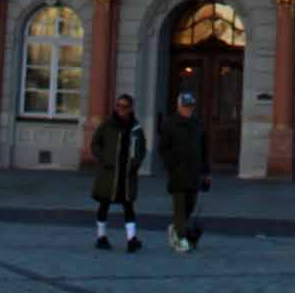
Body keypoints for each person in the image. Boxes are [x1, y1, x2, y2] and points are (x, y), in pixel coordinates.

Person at [89, 93, 147, 252]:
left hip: (127, 173)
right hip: (109, 173)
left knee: (128, 206)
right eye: (119, 106)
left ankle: (131, 239)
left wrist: (136, 163)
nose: (121, 109)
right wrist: (103, 159)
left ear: (131, 108)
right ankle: (101, 237)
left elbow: (142, 149)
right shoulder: (107, 124)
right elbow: (95, 144)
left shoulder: (136, 128)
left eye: (125, 106)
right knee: (104, 204)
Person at [157, 89, 211, 253]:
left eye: (191, 107)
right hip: (178, 173)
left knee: (190, 204)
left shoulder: (198, 123)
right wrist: (172, 166)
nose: (189, 109)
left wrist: (206, 172)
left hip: (194, 172)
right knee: (179, 207)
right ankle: (180, 239)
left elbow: (204, 148)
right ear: (179, 106)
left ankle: (176, 228)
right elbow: (163, 149)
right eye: (186, 106)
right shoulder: (170, 124)